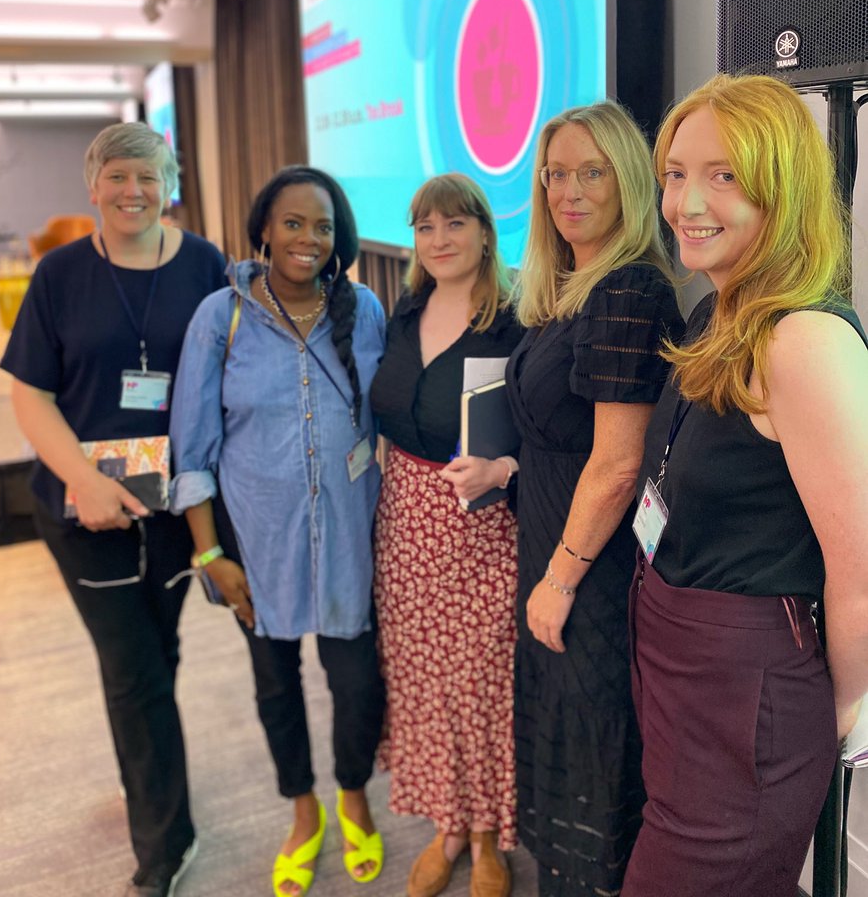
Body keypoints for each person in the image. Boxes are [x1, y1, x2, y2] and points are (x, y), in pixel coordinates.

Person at [622, 75, 868, 897]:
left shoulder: (805, 341)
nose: (688, 200)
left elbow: (860, 571)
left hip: (747, 690)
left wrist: (839, 716)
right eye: (676, 173)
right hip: (681, 659)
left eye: (724, 176)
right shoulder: (717, 309)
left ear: (782, 187)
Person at [0, 122, 227, 897]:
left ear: (171, 184)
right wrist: (85, 480)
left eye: (150, 176)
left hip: (172, 507)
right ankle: (166, 844)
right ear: (93, 185)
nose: (134, 191)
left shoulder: (204, 265)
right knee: (131, 669)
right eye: (119, 176)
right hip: (79, 507)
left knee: (157, 657)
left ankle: (148, 779)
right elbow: (29, 394)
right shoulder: (60, 273)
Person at [169, 165, 387, 897]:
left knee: (357, 685)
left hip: (351, 540)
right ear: (264, 228)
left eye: (322, 227)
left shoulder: (363, 308)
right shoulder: (218, 317)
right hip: (256, 544)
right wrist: (209, 555)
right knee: (275, 684)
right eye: (293, 223)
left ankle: (353, 794)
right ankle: (303, 810)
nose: (308, 239)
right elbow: (191, 450)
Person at [505, 102, 683, 897]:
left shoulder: (629, 290)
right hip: (555, 552)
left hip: (593, 578)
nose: (568, 191)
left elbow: (617, 467)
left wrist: (562, 576)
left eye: (592, 172)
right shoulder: (573, 288)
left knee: (596, 767)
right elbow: (567, 444)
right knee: (564, 763)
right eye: (554, 174)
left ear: (629, 181)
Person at [370, 173, 524, 897]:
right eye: (425, 227)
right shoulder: (406, 311)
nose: (438, 240)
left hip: (483, 531)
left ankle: (490, 836)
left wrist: (503, 468)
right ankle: (448, 824)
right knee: (423, 683)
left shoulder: (516, 319)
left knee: (481, 685)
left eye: (454, 225)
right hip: (404, 524)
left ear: (486, 232)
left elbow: (557, 436)